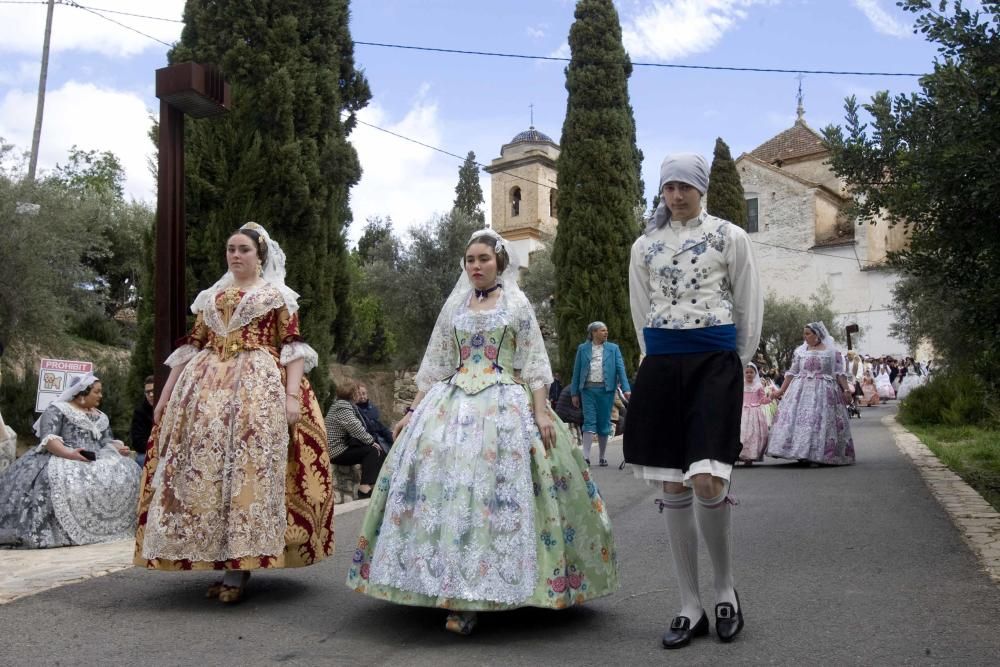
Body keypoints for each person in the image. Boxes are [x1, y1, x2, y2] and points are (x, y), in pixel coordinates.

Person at [346, 229, 618, 635]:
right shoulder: (455, 306)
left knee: (491, 494)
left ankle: (482, 591)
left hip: (504, 403)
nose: (476, 266)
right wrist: (412, 410)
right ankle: (444, 585)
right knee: (447, 494)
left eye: (483, 259)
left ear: (499, 263)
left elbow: (536, 364)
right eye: (470, 259)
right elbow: (436, 362)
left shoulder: (517, 303)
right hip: (450, 403)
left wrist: (542, 414)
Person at [134, 222, 335, 604]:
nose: (236, 255)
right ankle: (212, 553)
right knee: (205, 473)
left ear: (260, 255)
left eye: (243, 249)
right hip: (204, 392)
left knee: (246, 475)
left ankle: (238, 567)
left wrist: (292, 398)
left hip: (257, 391)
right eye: (231, 249)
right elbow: (192, 345)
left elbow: (293, 347)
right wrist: (165, 396)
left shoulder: (276, 296)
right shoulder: (211, 297)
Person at [625, 153, 762, 648]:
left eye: (685, 187)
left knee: (707, 477)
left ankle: (724, 590)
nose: (676, 196)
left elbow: (748, 302)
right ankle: (690, 603)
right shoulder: (644, 246)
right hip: (662, 365)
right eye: (668, 188)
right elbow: (641, 311)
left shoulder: (730, 237)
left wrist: (737, 361)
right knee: (672, 485)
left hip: (715, 363)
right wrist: (654, 359)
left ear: (701, 189)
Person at [0, 374, 140, 548]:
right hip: (61, 455)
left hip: (96, 458)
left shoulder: (100, 416)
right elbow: (49, 439)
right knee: (60, 478)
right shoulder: (58, 409)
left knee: (129, 471)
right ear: (82, 393)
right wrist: (70, 453)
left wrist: (117, 448)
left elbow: (105, 441)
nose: (100, 396)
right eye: (97, 392)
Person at [766, 322, 856, 466]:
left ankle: (817, 454)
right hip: (801, 390)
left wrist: (846, 390)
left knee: (819, 421)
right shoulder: (800, 351)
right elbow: (792, 372)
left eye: (808, 333)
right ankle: (801, 453)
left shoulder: (832, 352)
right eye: (804, 333)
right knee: (802, 421)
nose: (805, 336)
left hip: (824, 391)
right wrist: (781, 390)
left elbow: (840, 374)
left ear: (817, 335)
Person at [569, 322, 631, 466]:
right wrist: (574, 393)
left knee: (604, 423)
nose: (606, 333)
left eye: (606, 330)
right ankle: (585, 457)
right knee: (589, 421)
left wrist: (627, 389)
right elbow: (576, 372)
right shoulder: (583, 349)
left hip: (606, 391)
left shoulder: (613, 349)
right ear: (594, 332)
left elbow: (621, 369)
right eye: (603, 330)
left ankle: (602, 457)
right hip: (588, 391)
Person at [327, 379, 386, 499]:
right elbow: (355, 427)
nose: (359, 395)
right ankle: (364, 488)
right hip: (336, 451)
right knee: (372, 450)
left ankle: (373, 484)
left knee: (377, 450)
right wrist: (371, 441)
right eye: (357, 392)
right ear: (352, 394)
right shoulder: (342, 406)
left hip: (342, 447)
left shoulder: (344, 405)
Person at [738, 364, 771, 465]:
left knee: (753, 434)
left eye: (751, 372)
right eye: (747, 372)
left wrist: (771, 397)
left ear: (755, 374)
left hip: (755, 413)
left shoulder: (758, 386)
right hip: (742, 411)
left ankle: (750, 456)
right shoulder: (740, 384)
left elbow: (762, 400)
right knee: (742, 433)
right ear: (744, 373)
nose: (749, 374)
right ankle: (740, 454)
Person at [355, 383, 394, 452]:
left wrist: (390, 435)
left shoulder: (373, 408)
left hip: (379, 435)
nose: (362, 396)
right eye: (359, 394)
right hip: (369, 439)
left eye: (363, 394)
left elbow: (380, 425)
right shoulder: (354, 410)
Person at [128, 375, 155, 468]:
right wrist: (153, 449)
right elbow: (137, 441)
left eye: (153, 391)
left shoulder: (170, 408)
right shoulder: (140, 412)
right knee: (142, 459)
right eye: (148, 392)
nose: (151, 395)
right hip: (147, 452)